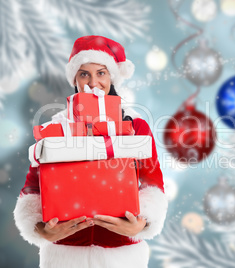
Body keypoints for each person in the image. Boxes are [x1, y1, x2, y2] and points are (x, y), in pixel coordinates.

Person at [14, 35, 168, 268]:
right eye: (84, 73)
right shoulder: (55, 129)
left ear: (112, 77)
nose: (93, 82)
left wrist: (141, 223)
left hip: (122, 254)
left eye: (101, 73)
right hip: (64, 255)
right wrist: (42, 230)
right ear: (74, 78)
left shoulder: (136, 127)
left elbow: (152, 182)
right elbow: (32, 188)